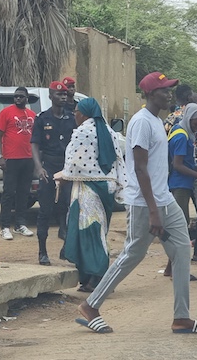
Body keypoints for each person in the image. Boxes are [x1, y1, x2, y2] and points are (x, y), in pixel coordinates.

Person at [76, 72, 197, 335]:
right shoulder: (141, 122)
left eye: (170, 90)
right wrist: (153, 212)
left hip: (165, 198)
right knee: (133, 254)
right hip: (144, 202)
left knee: (183, 250)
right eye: (164, 90)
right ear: (151, 94)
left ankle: (181, 318)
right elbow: (140, 169)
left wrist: (161, 204)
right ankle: (90, 305)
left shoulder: (157, 121)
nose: (169, 95)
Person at [59, 98, 125, 291]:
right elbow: (117, 161)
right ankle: (92, 277)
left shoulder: (82, 132)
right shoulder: (110, 132)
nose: (74, 115)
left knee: (87, 230)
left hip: (87, 189)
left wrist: (63, 175)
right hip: (106, 188)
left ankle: (96, 278)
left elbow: (73, 163)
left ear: (85, 114)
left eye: (77, 111)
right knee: (99, 231)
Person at [31, 81, 76, 265]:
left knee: (67, 207)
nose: (63, 97)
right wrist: (39, 167)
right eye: (59, 94)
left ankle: (66, 248)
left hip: (67, 168)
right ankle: (42, 251)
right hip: (48, 168)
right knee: (45, 211)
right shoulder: (42, 119)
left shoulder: (71, 118)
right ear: (51, 97)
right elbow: (35, 144)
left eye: (65, 94)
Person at [166, 103, 197, 281]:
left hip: (181, 183)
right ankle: (178, 270)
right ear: (190, 117)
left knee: (178, 226)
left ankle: (170, 267)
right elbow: (178, 165)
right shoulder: (182, 136)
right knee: (180, 228)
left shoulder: (178, 130)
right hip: (179, 184)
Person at [0, 87, 36, 240]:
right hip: (11, 159)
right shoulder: (6, 113)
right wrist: (0, 156)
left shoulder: (32, 115)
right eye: (16, 96)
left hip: (28, 159)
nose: (18, 99)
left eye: (21, 97)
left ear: (27, 98)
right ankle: (5, 226)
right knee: (8, 193)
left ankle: (20, 224)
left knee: (24, 193)